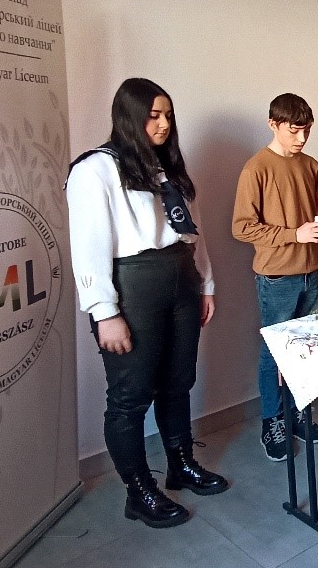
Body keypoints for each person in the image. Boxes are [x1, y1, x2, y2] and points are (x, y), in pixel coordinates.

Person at [67, 78, 226, 529]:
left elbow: (192, 231)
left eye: (168, 115)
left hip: (180, 278)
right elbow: (88, 248)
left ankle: (181, 464)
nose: (163, 124)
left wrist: (206, 284)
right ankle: (138, 491)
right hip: (133, 286)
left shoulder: (166, 168)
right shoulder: (96, 169)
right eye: (153, 116)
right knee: (130, 396)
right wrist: (105, 313)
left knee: (178, 383)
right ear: (130, 117)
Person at [233, 93, 318, 464]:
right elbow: (242, 227)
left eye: (307, 130)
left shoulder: (312, 165)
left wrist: (313, 232)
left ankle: (297, 414)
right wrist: (295, 234)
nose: (302, 138)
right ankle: (271, 422)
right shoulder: (256, 168)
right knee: (274, 352)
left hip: (310, 271)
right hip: (276, 276)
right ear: (273, 124)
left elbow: (309, 218)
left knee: (305, 349)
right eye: (294, 130)